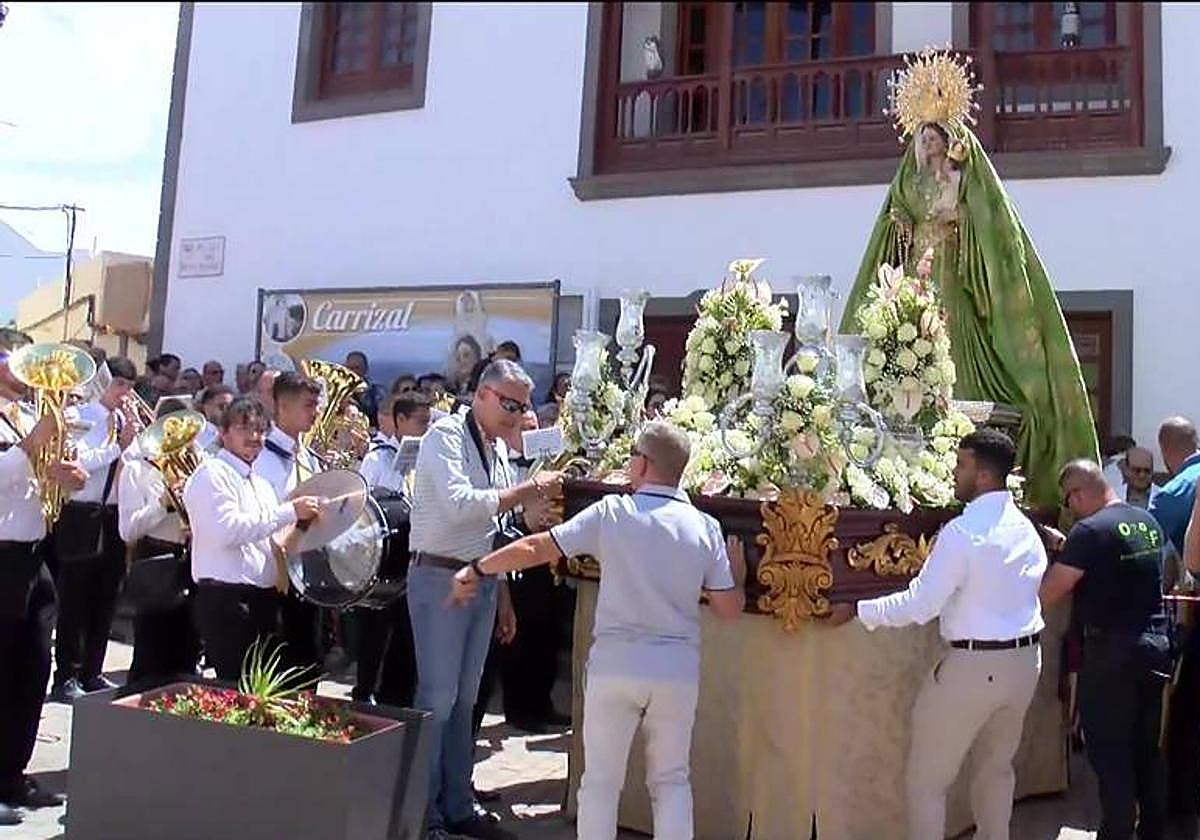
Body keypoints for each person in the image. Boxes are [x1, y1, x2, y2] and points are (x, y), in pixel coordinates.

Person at [449, 420, 746, 840]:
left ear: (642, 464)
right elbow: (728, 609)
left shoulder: (613, 513)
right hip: (675, 669)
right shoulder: (705, 527)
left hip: (615, 664)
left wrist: (479, 568)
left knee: (601, 784)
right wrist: (738, 576)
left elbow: (536, 547)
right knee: (671, 782)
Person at [839, 82, 1099, 508]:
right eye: (923, 138)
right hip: (917, 261)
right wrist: (901, 222)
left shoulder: (959, 175)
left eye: (934, 137)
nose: (929, 144)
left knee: (949, 321)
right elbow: (896, 213)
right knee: (908, 322)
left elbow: (976, 217)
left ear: (947, 141)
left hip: (947, 263)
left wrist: (955, 204)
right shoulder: (910, 179)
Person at [825, 428, 1046, 839]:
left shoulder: (963, 533)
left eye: (961, 465)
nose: (954, 473)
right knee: (997, 770)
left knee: (927, 781)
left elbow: (921, 604)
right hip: (1025, 662)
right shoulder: (1026, 529)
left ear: (983, 476)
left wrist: (858, 608)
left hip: (974, 667)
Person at [407, 359, 563, 840]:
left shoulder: (493, 445)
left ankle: (458, 804)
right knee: (438, 700)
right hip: (439, 575)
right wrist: (526, 491)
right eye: (509, 405)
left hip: (481, 579)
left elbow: (492, 529)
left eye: (522, 406)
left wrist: (504, 597)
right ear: (481, 394)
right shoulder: (444, 435)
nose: (517, 415)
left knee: (465, 700)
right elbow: (460, 505)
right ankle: (425, 816)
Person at [1040, 460, 1168, 840]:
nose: (1069, 509)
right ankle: (1153, 831)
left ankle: (1117, 832)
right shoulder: (1146, 521)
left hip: (1112, 655)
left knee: (1110, 753)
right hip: (1155, 647)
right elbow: (1118, 559)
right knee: (1145, 749)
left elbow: (1049, 593)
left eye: (1067, 501)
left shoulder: (1088, 532)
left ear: (1078, 493)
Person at [0, 329, 85, 826]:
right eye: (12, 360)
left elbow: (41, 481)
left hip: (34, 556)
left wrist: (68, 479)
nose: (23, 371)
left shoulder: (28, 415)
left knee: (33, 667)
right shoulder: (27, 424)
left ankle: (12, 773)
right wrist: (37, 439)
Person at [183, 396, 321, 680]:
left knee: (258, 691)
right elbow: (228, 531)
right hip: (227, 599)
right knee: (236, 689)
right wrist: (289, 511)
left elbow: (272, 538)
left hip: (261, 600)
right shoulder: (213, 473)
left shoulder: (260, 483)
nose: (254, 437)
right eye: (244, 428)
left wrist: (305, 525)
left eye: (260, 430)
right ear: (223, 433)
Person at [50, 357, 142, 702]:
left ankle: (92, 671)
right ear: (104, 381)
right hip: (81, 512)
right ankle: (66, 676)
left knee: (106, 598)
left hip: (113, 514)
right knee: (75, 598)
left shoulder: (125, 422)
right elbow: (78, 463)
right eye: (120, 385)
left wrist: (134, 443)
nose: (125, 394)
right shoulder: (80, 417)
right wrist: (119, 446)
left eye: (130, 388)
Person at [352, 392, 433, 706]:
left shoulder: (429, 457)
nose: (426, 428)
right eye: (420, 422)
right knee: (376, 629)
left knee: (406, 629)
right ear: (400, 420)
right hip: (384, 555)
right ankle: (365, 690)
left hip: (415, 552)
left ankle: (398, 695)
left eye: (429, 422)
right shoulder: (378, 458)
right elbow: (362, 505)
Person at [118, 398, 200, 687]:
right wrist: (162, 505)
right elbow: (127, 530)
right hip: (156, 559)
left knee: (187, 648)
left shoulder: (198, 466)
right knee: (151, 650)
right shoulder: (136, 469)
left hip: (191, 559)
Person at [253, 373, 324, 676]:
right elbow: (262, 518)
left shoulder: (307, 455)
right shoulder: (262, 459)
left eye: (316, 405)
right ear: (282, 406)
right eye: (309, 405)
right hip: (273, 577)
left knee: (308, 664)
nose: (316, 412)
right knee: (276, 666)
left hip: (306, 572)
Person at [1150, 417, 1200, 831]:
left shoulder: (1178, 489)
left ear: (1165, 450)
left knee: (1186, 710)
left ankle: (1182, 804)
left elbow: (1147, 547)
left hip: (1192, 611)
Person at [345, 350, 385, 429]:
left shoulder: (377, 392)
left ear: (365, 369)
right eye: (350, 368)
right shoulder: (339, 393)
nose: (353, 372)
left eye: (357, 368)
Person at [197, 384, 234, 453]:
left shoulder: (239, 433)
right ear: (206, 407)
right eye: (221, 406)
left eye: (230, 407)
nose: (226, 411)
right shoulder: (196, 435)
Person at [1122, 446, 1161, 510]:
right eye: (1137, 470)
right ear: (1126, 470)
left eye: (1147, 471)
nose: (1142, 475)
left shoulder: (1162, 497)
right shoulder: (1115, 495)